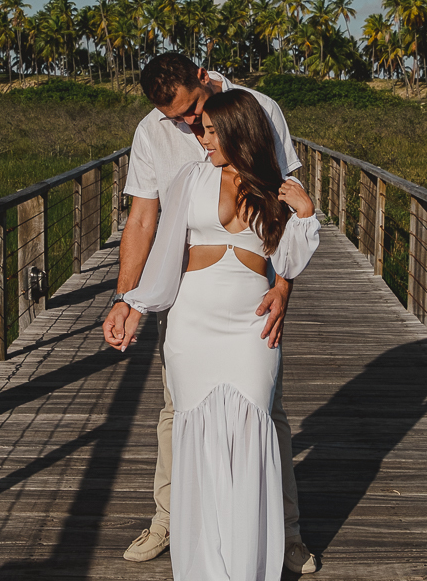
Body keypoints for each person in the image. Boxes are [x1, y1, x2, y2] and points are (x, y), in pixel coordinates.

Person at [103, 54, 320, 574]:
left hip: (251, 312)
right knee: (181, 418)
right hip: (191, 309)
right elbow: (145, 223)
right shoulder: (158, 138)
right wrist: (128, 300)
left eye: (193, 113)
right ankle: (172, 525)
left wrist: (284, 287)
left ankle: (281, 536)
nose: (190, 127)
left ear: (203, 79)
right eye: (178, 119)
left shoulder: (261, 110)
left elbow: (285, 216)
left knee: (263, 420)